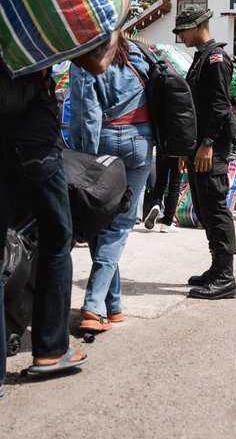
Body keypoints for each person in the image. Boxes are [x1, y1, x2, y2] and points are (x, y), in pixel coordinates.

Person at [69, 31, 154, 335]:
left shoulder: (86, 57)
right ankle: (112, 305)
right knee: (117, 228)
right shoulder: (143, 54)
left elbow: (86, 115)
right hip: (141, 141)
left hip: (103, 139)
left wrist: (84, 160)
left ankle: (93, 305)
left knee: (99, 221)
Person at [173, 4, 236, 299]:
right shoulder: (200, 58)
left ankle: (226, 277)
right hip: (198, 146)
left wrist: (208, 144)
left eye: (183, 29)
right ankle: (216, 267)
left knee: (214, 207)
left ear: (200, 26)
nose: (179, 35)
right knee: (202, 207)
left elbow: (220, 107)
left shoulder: (216, 58)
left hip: (211, 148)